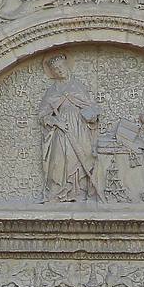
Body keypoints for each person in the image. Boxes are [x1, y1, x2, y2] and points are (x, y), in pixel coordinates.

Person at [38, 52, 101, 202]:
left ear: (67, 66)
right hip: (61, 131)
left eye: (61, 67)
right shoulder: (52, 91)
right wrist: (56, 122)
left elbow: (92, 108)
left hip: (80, 129)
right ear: (53, 73)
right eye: (56, 69)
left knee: (82, 158)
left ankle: (79, 191)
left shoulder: (79, 87)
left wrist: (91, 116)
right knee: (59, 162)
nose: (59, 70)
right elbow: (42, 116)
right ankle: (60, 191)